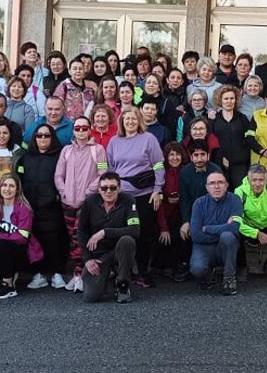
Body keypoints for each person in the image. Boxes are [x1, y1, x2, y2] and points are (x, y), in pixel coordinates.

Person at [105, 107, 165, 287]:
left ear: (139, 121)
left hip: (144, 194)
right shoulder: (114, 141)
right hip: (121, 195)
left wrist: (158, 189)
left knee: (144, 233)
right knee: (122, 234)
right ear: (121, 121)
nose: (130, 122)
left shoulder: (149, 139)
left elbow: (158, 165)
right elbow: (109, 167)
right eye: (126, 119)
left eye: (133, 119)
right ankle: (123, 270)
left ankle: (143, 271)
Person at [55, 116, 108, 292]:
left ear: (90, 129)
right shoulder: (66, 150)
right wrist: (63, 192)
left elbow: (102, 173)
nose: (81, 131)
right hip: (68, 202)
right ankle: (78, 274)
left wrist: (89, 191)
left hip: (87, 202)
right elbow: (58, 175)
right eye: (77, 128)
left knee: (80, 237)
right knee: (72, 239)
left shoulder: (98, 149)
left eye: (84, 128)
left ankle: (80, 275)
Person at [17, 125, 68, 290]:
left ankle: (56, 273)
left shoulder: (60, 156)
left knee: (53, 240)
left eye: (47, 135)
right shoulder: (26, 157)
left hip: (52, 205)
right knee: (34, 240)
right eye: (39, 135)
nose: (43, 138)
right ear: (34, 138)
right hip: (30, 205)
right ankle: (38, 273)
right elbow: (20, 178)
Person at [78, 172, 141, 304]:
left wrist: (104, 232)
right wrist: (88, 259)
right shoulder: (90, 202)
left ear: (119, 188)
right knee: (91, 297)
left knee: (127, 240)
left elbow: (135, 230)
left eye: (112, 187)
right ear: (99, 189)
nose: (108, 191)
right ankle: (109, 277)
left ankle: (123, 285)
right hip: (99, 256)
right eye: (104, 188)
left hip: (119, 252)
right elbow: (81, 231)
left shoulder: (129, 201)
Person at [188, 171, 244, 295]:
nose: (216, 186)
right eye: (212, 183)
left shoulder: (235, 200)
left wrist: (208, 228)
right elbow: (196, 235)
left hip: (225, 247)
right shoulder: (199, 203)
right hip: (203, 248)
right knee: (197, 269)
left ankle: (229, 279)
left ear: (227, 185)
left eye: (220, 182)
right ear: (207, 187)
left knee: (228, 237)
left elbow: (235, 228)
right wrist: (224, 228)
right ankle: (209, 274)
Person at [155, 142, 189, 281]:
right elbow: (159, 202)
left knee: (181, 232)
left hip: (183, 213)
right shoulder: (162, 173)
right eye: (171, 154)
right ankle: (165, 266)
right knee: (163, 234)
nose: (175, 157)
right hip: (165, 213)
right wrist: (163, 228)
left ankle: (182, 265)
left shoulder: (187, 171)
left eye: (178, 154)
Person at [210, 85, 254, 184]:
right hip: (219, 163)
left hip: (240, 164)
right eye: (226, 99)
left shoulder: (242, 118)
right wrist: (221, 158)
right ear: (220, 100)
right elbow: (212, 142)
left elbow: (248, 140)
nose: (229, 101)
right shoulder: (213, 119)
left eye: (232, 98)